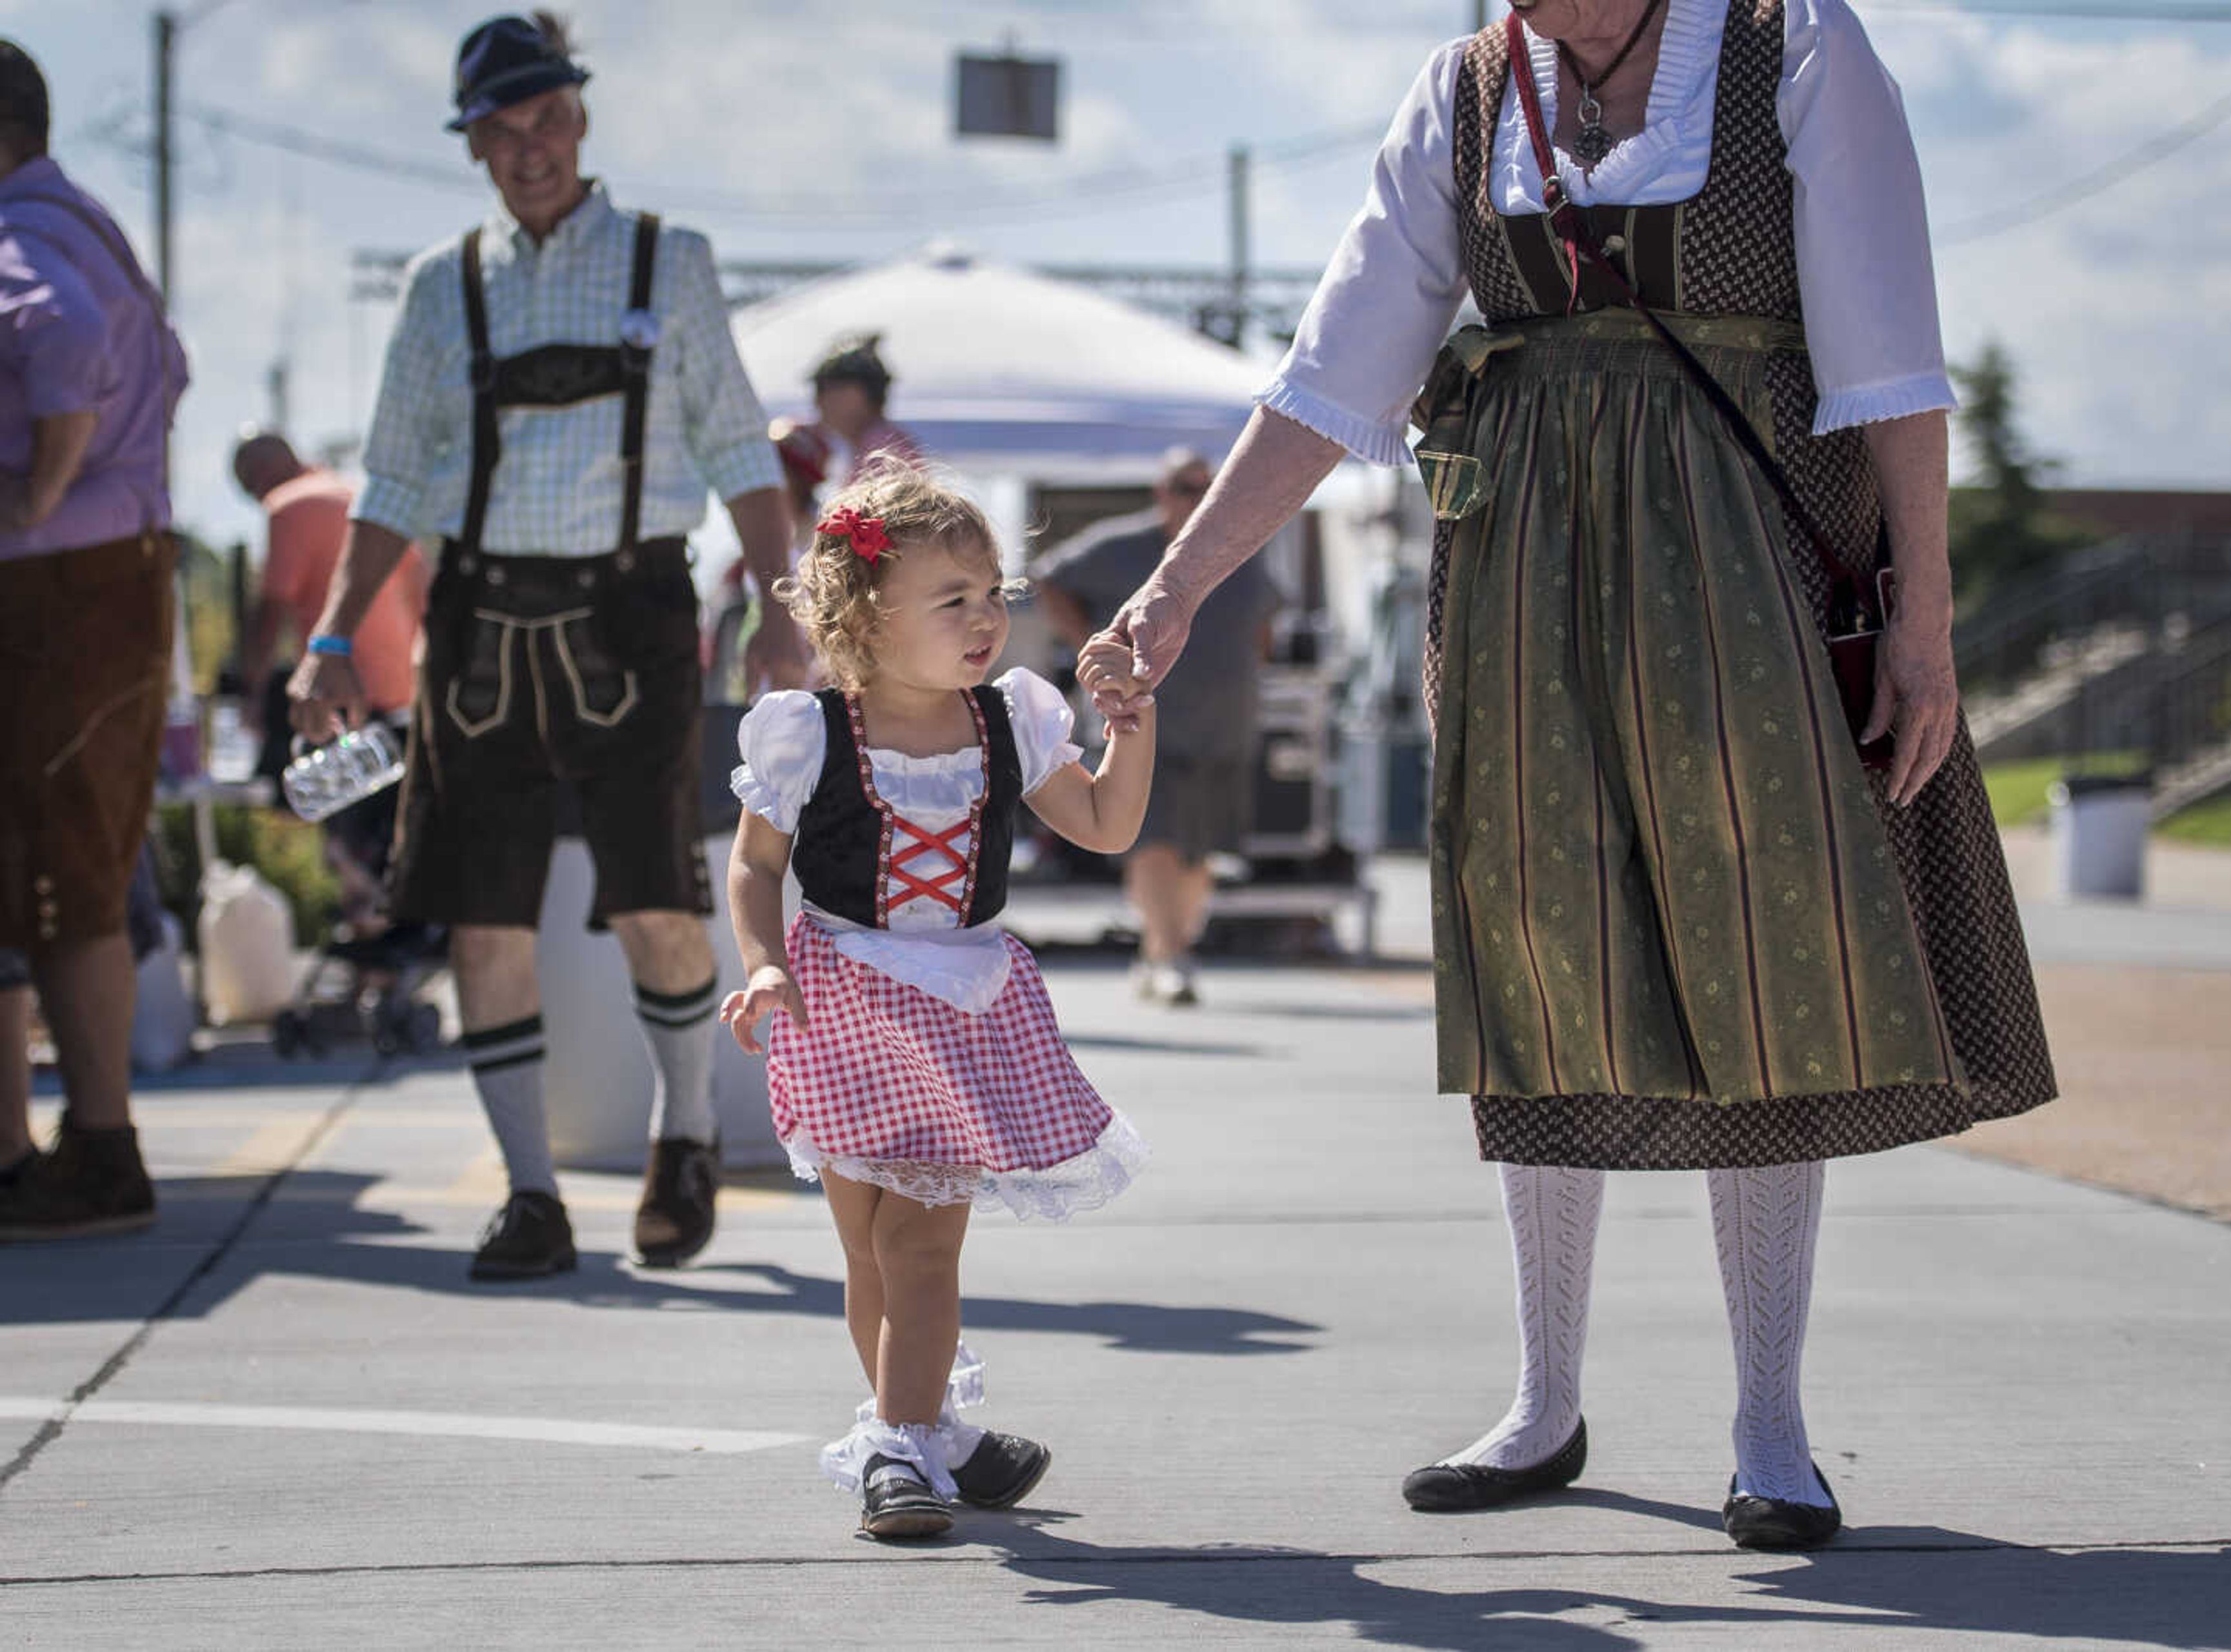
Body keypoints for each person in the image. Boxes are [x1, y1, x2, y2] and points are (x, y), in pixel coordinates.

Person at [1081, 0, 2056, 1549]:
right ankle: (1542, 1401)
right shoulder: (1465, 90)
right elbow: (1331, 375)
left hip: (1743, 556)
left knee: (1760, 949)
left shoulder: (1789, 42)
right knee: (1536, 939)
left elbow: (1885, 359)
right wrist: (1178, 588)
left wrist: (1924, 615)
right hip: (1520, 568)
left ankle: (1770, 1426)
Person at [289, 12, 801, 1280]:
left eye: (549, 118)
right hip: (475, 620)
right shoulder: (439, 286)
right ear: (472, 144)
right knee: (482, 916)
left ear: (582, 114)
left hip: (632, 610)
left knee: (651, 900)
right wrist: (335, 632)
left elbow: (739, 442)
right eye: (502, 129)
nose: (531, 148)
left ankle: (681, 1137)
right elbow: (393, 476)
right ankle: (531, 1194)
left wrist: (781, 603)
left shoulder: (665, 262)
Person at [720, 470, 1154, 1541]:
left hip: (961, 1008)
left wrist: (1129, 726)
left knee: (920, 1246)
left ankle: (899, 1448)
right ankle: (932, 1429)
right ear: (867, 619)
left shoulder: (1010, 720)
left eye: (993, 592)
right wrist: (765, 962)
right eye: (953, 598)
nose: (986, 617)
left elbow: (1105, 823)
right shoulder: (810, 732)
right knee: (870, 1249)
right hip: (841, 1003)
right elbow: (751, 867)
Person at [0, 39, 189, 1243]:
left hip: (57, 586)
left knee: (61, 869)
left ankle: (99, 1148)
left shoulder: (28, 232)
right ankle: (73, 1148)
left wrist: (32, 497)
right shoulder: (82, 221)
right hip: (102, 577)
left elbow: (59, 344)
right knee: (68, 868)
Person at [1037, 448, 1280, 1004]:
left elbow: (1267, 616)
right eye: (1184, 486)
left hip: (1223, 724)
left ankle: (1160, 950)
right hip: (1142, 721)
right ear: (1161, 491)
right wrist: (1090, 645)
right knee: (1155, 841)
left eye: (1206, 485)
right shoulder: (1121, 545)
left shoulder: (1240, 547)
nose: (1195, 496)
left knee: (1200, 853)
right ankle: (1173, 956)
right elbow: (1049, 579)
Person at [234, 430, 428, 928]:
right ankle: (389, 959)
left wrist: (251, 691)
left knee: (348, 843)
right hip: (403, 689)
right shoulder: (360, 495)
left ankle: (372, 953)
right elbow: (419, 587)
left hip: (343, 694)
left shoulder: (288, 506)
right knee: (389, 840)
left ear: (260, 476)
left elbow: (270, 608)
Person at [809, 333, 922, 487]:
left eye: (824, 388)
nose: (817, 401)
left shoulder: (885, 456)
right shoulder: (880, 445)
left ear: (857, 395)